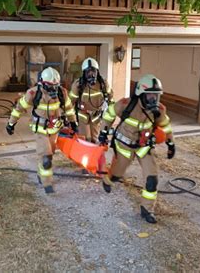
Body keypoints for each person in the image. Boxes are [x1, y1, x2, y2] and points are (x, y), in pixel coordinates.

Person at [98, 74, 175, 224]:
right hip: (125, 146)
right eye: (150, 95)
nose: (154, 99)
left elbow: (166, 126)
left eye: (156, 95)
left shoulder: (159, 110)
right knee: (116, 175)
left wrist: (171, 144)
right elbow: (109, 115)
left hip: (144, 147)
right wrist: (103, 133)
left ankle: (147, 210)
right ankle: (108, 180)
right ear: (141, 94)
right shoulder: (125, 104)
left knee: (152, 179)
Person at [6, 67, 78, 194]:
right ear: (42, 83)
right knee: (46, 157)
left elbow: (69, 108)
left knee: (49, 154)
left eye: (56, 85)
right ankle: (47, 183)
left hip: (54, 130)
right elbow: (19, 108)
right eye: (50, 86)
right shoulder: (33, 93)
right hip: (40, 131)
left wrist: (73, 122)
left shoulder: (62, 92)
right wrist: (11, 123)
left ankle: (40, 174)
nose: (54, 89)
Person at [69, 57, 113, 143]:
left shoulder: (103, 84)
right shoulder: (78, 85)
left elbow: (111, 100)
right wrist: (70, 119)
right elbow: (70, 103)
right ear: (84, 73)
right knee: (85, 140)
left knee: (95, 140)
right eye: (88, 72)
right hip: (83, 116)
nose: (91, 74)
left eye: (93, 71)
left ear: (97, 72)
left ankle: (93, 156)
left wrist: (109, 119)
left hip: (96, 117)